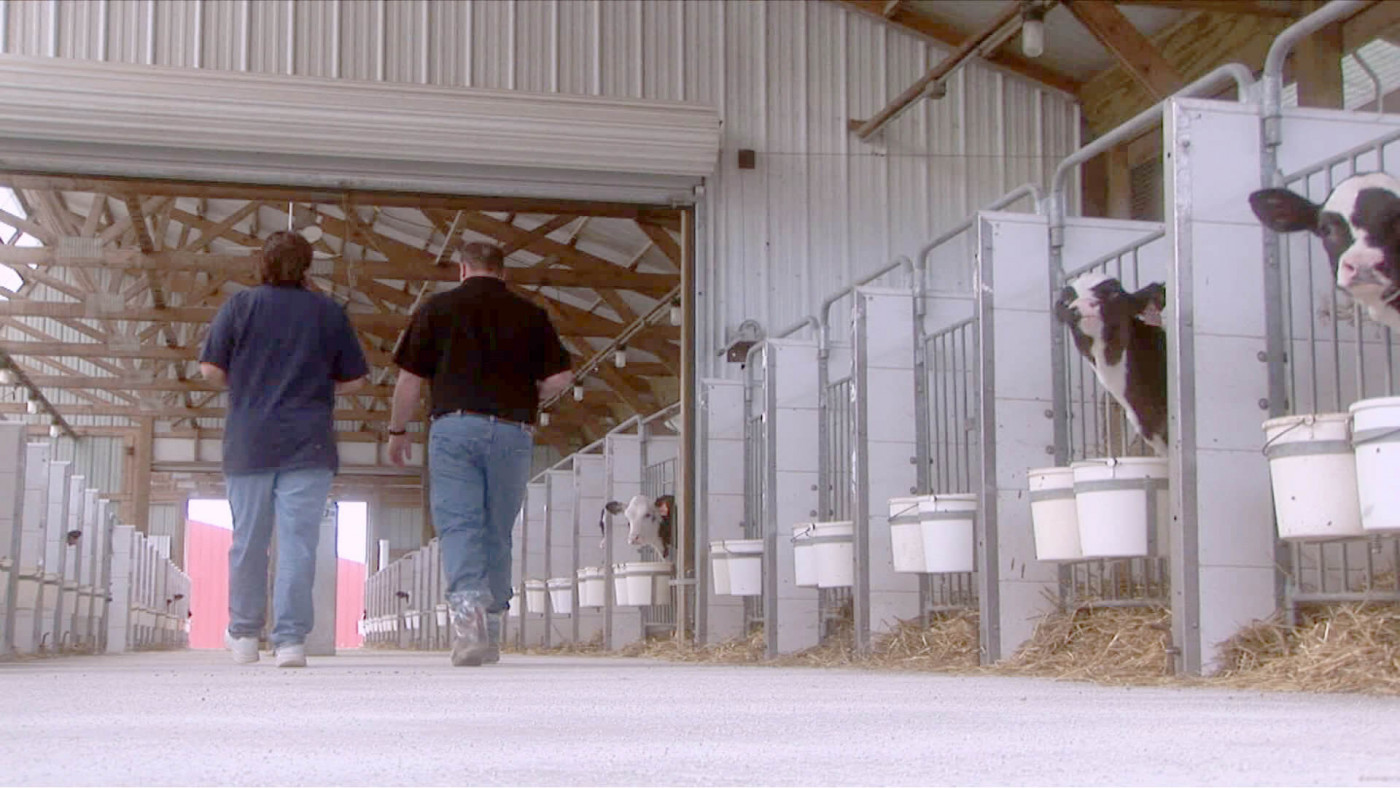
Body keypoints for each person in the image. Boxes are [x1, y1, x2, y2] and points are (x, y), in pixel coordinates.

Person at [387, 241, 573, 667]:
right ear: (502, 271)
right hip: (512, 431)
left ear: (463, 269)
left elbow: (409, 382)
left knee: (459, 526)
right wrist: (531, 395)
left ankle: (468, 623)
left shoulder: (436, 310)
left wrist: (398, 430)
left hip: (454, 427)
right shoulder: (531, 314)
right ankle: (492, 627)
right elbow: (562, 376)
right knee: (497, 528)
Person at [199, 230, 369, 668]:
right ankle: (291, 640)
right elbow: (356, 379)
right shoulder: (328, 312)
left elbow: (209, 370)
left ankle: (244, 635)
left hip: (250, 439)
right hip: (308, 442)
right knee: (299, 544)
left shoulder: (240, 306)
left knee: (249, 541)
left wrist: (250, 383)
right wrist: (313, 382)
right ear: (308, 266)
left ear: (263, 263)